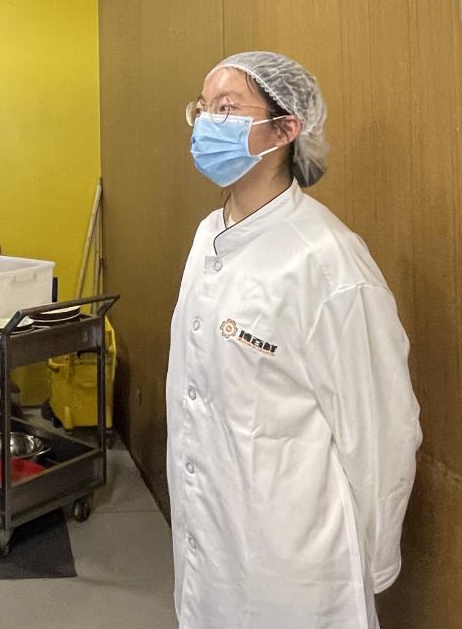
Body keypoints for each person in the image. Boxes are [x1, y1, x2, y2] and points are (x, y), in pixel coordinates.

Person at [167, 50, 421, 629]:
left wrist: (374, 559)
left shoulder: (329, 263)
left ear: (286, 129)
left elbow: (381, 432)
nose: (206, 124)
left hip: (297, 565)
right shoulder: (209, 236)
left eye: (227, 108)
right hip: (211, 539)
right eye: (202, 109)